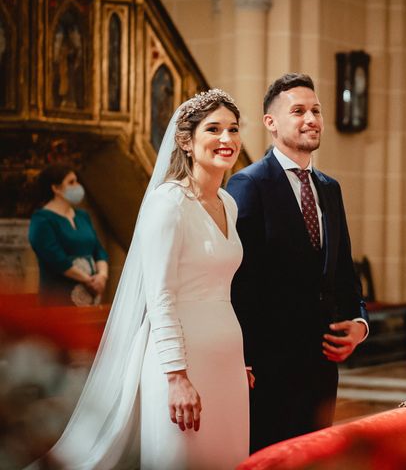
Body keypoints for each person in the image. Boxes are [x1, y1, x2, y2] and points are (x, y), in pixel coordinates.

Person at [37, 89, 250, 469]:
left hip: (228, 359)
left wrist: (237, 360)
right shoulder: (168, 204)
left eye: (233, 129)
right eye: (214, 129)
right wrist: (176, 376)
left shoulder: (229, 204)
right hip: (182, 360)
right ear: (186, 141)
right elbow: (161, 296)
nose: (227, 139)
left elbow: (221, 286)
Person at [226, 73, 369, 453]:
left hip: (322, 365)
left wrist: (359, 323)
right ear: (271, 123)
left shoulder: (329, 188)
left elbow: (342, 272)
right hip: (268, 365)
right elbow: (238, 282)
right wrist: (240, 357)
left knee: (316, 458)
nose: (312, 119)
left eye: (316, 110)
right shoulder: (248, 185)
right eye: (299, 111)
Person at [29, 164, 109, 306]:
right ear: (56, 188)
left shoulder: (82, 216)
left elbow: (99, 250)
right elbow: (55, 258)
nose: (78, 186)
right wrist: (88, 280)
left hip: (91, 297)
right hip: (58, 297)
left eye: (77, 181)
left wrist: (102, 276)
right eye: (71, 182)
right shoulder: (42, 220)